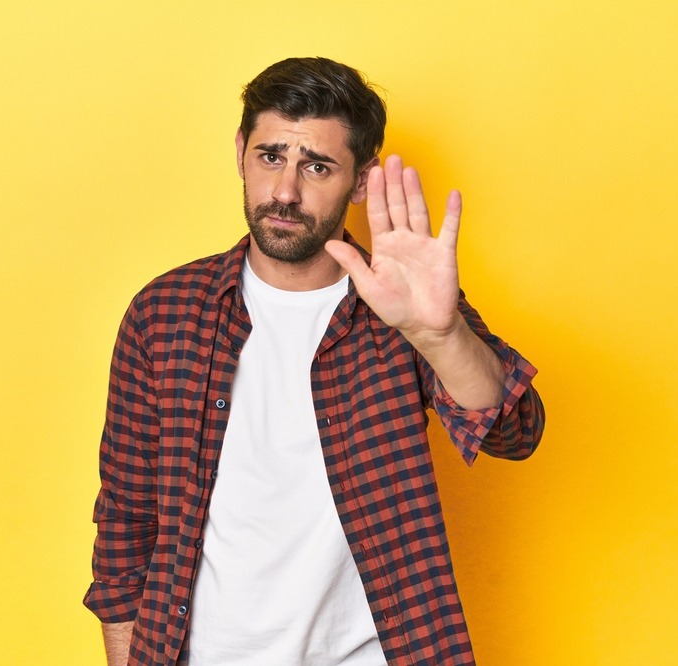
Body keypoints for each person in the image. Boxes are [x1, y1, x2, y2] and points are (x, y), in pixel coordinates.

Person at [84, 56, 545, 666]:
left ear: (361, 181)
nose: (285, 191)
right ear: (241, 152)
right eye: (271, 156)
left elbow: (516, 432)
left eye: (317, 166)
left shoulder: (404, 305)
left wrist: (438, 335)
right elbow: (126, 523)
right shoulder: (164, 313)